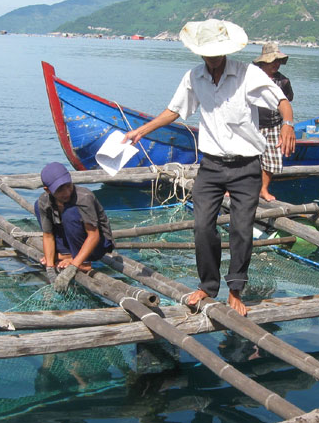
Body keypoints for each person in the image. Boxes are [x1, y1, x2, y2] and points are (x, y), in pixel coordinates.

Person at [123, 19, 295, 316]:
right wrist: (142, 131)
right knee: (202, 226)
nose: (212, 58)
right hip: (212, 165)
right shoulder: (195, 77)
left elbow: (281, 101)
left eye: (217, 52)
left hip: (246, 165)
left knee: (241, 229)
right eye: (207, 52)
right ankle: (208, 285)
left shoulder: (247, 74)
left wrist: (288, 125)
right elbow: (174, 110)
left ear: (226, 51)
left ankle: (236, 290)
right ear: (200, 52)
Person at [35, 162, 115, 290]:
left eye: (68, 186)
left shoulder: (84, 198)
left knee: (70, 213)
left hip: (97, 245)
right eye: (60, 190)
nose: (66, 192)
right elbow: (48, 235)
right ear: (48, 190)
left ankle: (82, 262)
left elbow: (94, 236)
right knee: (38, 206)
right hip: (70, 241)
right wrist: (50, 268)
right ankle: (67, 255)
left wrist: (74, 266)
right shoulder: (44, 201)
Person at [253, 42, 295, 201]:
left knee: (271, 159)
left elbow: (287, 102)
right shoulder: (252, 79)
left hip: (274, 124)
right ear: (263, 62)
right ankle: (232, 187)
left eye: (278, 61)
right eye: (272, 61)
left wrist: (287, 125)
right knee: (244, 157)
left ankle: (263, 189)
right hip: (254, 123)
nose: (276, 64)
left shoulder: (283, 82)